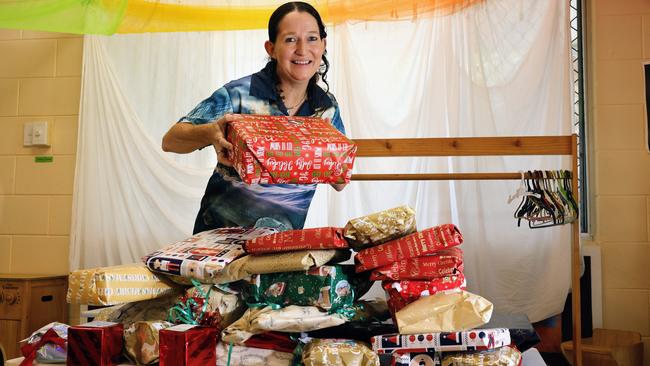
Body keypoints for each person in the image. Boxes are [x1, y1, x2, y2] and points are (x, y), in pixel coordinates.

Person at [162, 2, 347, 234]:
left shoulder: (326, 108)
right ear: (271, 48)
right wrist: (210, 133)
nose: (302, 49)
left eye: (312, 38)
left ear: (323, 45)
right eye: (290, 39)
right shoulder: (239, 94)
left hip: (279, 247)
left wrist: (320, 148)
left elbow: (340, 182)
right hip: (218, 242)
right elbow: (170, 141)